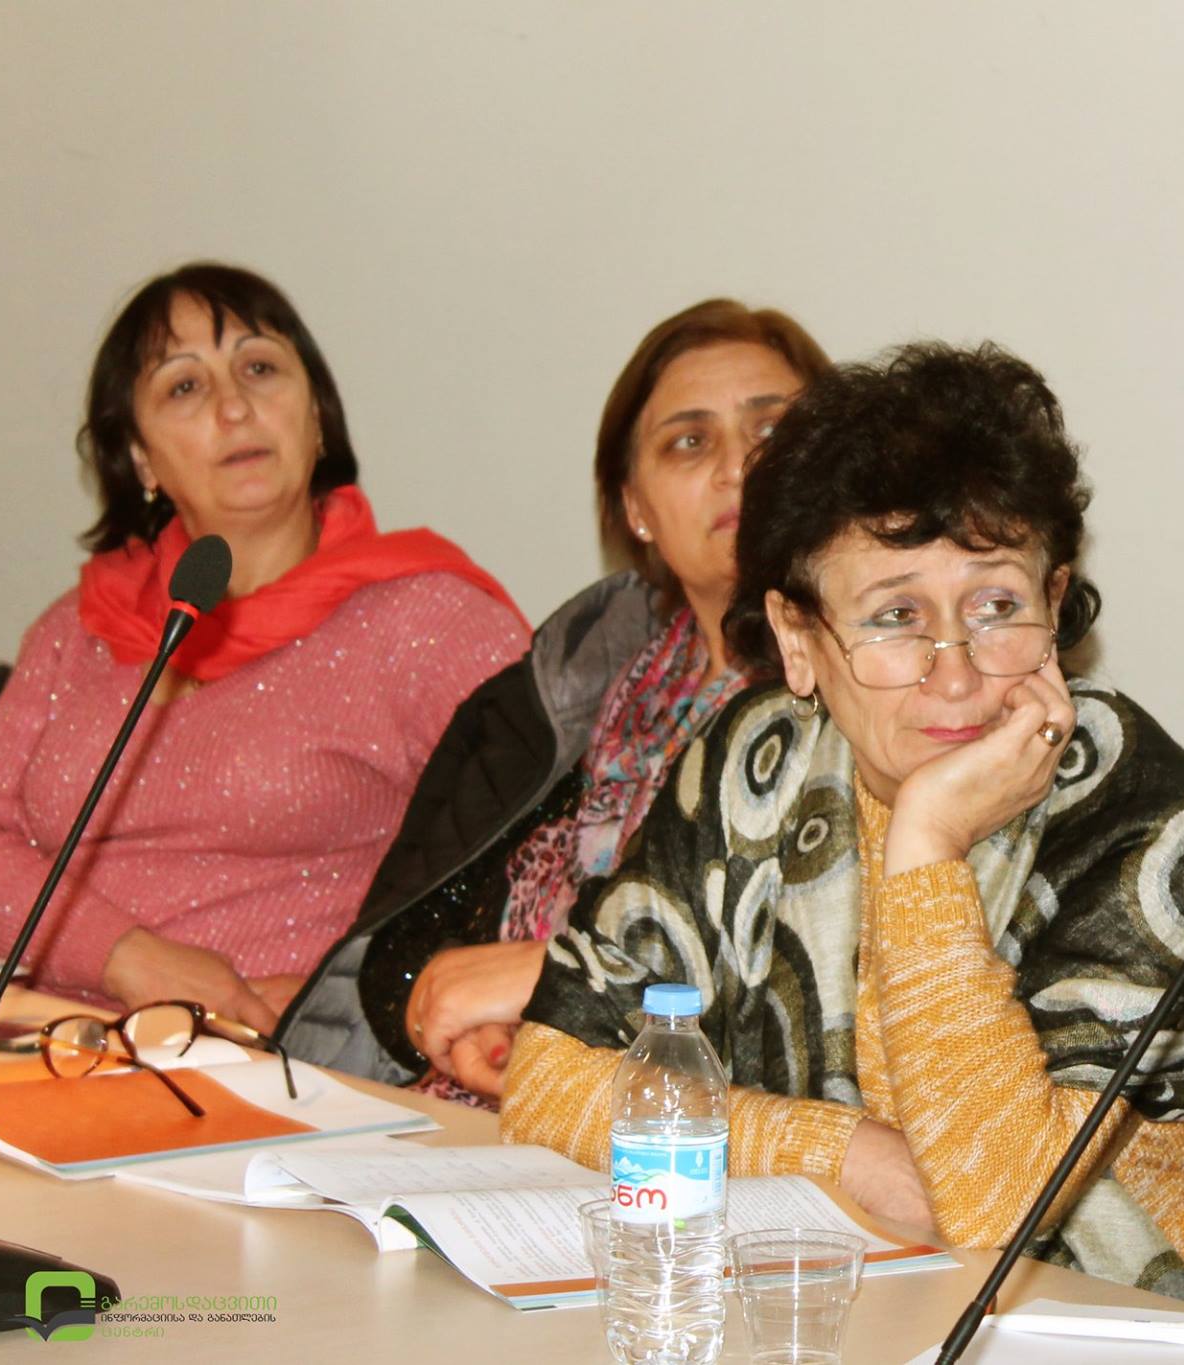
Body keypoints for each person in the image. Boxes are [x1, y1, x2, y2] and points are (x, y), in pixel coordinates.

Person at [500, 342, 1184, 1314]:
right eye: (894, 617)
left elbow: (1000, 1209)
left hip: (1163, 1320)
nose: (953, 673)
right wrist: (852, 1155)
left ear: (1055, 604)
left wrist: (924, 844)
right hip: (862, 1297)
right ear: (797, 637)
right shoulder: (753, 763)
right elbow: (548, 1080)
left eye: (996, 605)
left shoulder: (1144, 812)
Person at [278, 300, 832, 1098]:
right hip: (478, 1117)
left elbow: (825, 994)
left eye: (772, 430)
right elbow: (404, 943)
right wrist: (459, 1018)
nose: (736, 467)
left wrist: (563, 983)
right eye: (689, 441)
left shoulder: (876, 692)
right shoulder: (568, 685)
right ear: (636, 508)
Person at [0, 263, 527, 1031]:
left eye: (259, 368)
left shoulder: (427, 620)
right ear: (140, 457)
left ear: (317, 418)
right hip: (53, 1043)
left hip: (286, 1055)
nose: (234, 406)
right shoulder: (83, 626)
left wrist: (368, 993)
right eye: (184, 386)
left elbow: (548, 856)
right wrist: (126, 956)